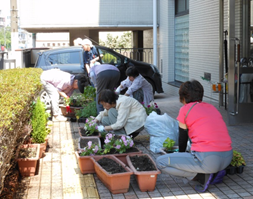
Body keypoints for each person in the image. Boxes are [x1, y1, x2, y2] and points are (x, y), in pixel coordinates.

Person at [156, 80, 233, 193]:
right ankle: (213, 171)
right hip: (227, 158)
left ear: (183, 97)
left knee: (160, 162)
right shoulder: (212, 107)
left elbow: (183, 139)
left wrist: (181, 156)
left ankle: (200, 176)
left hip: (208, 160)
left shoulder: (185, 110)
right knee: (197, 155)